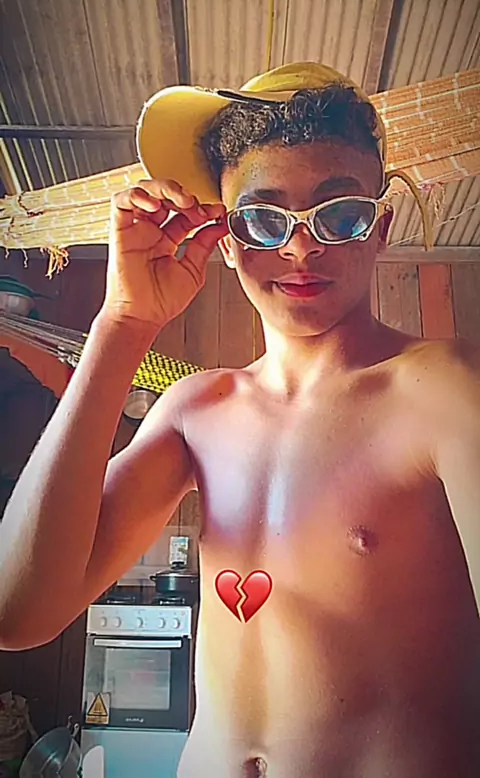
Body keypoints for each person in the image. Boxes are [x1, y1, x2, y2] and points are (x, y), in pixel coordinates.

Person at [1, 63, 479, 778]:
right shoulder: (196, 410)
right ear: (226, 241)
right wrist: (123, 323)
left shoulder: (447, 389)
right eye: (263, 219)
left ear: (378, 228)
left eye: (339, 214)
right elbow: (18, 612)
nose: (300, 248)